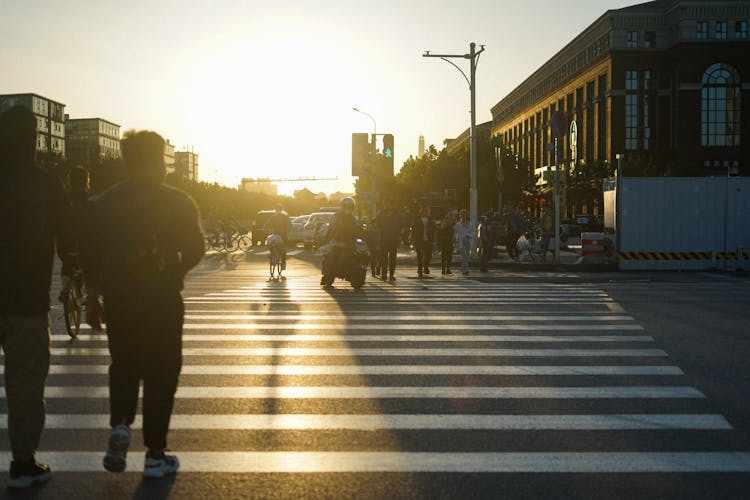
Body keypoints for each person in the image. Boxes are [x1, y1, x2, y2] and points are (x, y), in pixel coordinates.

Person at [81, 130, 205, 479]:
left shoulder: (104, 203)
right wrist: (172, 268)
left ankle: (121, 425)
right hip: (163, 299)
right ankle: (154, 452)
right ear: (161, 160)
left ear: (126, 160)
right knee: (162, 372)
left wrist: (92, 296)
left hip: (119, 299)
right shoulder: (178, 201)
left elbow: (89, 254)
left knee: (124, 364)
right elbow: (196, 247)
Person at [0, 106, 71, 488]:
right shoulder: (46, 183)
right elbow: (68, 232)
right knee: (26, 383)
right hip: (26, 299)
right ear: (34, 140)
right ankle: (23, 464)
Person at [321, 197, 358, 287]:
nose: (348, 208)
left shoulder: (354, 218)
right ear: (342, 206)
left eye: (350, 206)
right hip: (338, 240)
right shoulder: (336, 217)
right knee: (332, 256)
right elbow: (332, 227)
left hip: (350, 241)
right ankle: (328, 274)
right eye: (346, 206)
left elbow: (358, 227)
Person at [375, 199, 401, 282]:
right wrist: (381, 228)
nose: (386, 205)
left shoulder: (396, 213)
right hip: (384, 238)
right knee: (384, 258)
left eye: (388, 204)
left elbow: (400, 224)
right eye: (385, 204)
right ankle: (384, 274)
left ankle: (391, 275)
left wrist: (399, 234)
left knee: (393, 258)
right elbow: (377, 223)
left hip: (393, 238)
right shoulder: (381, 213)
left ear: (391, 204)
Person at [411, 206, 435, 277]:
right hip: (419, 239)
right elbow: (413, 229)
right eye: (424, 211)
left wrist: (434, 239)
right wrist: (413, 239)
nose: (426, 212)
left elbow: (433, 229)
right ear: (421, 211)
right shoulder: (417, 219)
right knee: (420, 256)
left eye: (427, 211)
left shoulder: (430, 219)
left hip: (428, 239)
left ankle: (425, 265)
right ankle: (420, 269)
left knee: (429, 255)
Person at [268, 204, 292, 269]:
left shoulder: (273, 217)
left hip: (275, 235)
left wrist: (266, 229)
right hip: (283, 235)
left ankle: (272, 255)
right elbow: (290, 225)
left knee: (271, 244)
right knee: (283, 249)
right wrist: (288, 230)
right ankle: (283, 263)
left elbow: (267, 224)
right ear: (282, 210)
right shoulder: (285, 217)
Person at [454, 209, 473, 275]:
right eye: (461, 215)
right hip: (461, 242)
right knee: (464, 256)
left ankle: (464, 268)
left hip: (467, 242)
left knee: (466, 256)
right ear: (460, 216)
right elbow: (455, 232)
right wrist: (455, 240)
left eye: (464, 215)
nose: (463, 216)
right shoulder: (458, 224)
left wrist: (469, 236)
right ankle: (465, 269)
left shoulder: (470, 224)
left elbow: (472, 232)